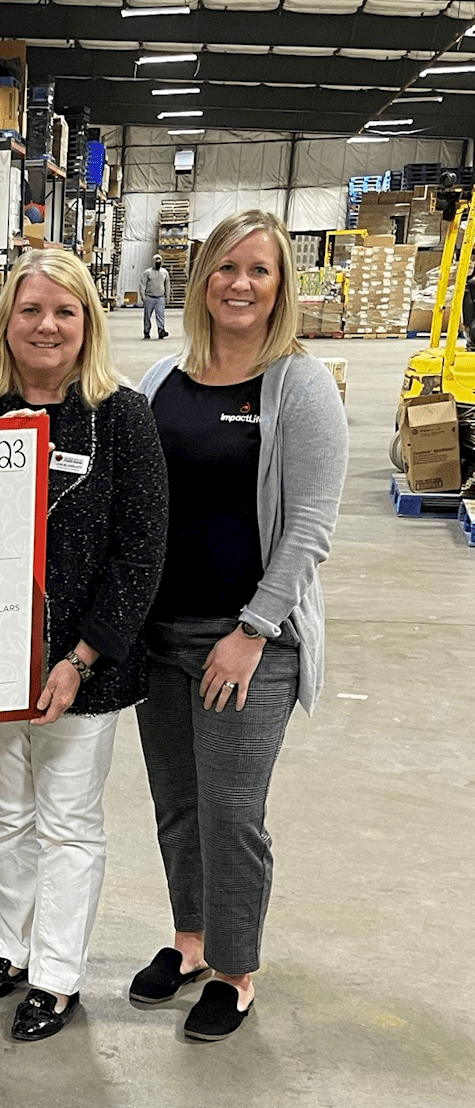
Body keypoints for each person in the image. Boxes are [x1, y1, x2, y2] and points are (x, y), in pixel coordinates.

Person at [0, 249, 168, 1041]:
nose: (47, 325)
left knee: (68, 819)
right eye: (32, 310)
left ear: (87, 325)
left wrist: (79, 660)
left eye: (65, 311)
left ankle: (59, 977)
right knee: (7, 812)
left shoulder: (122, 416)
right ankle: (15, 948)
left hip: (84, 666)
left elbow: (141, 552)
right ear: (9, 320)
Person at [131, 209, 347, 1041]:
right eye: (226, 267)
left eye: (259, 269)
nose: (241, 284)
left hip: (251, 642)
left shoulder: (300, 385)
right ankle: (189, 942)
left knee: (231, 811)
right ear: (200, 280)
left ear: (280, 284)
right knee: (177, 804)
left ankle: (234, 967)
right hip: (164, 638)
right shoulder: (161, 382)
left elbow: (312, 527)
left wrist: (253, 629)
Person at [143, 253, 170, 340]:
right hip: (149, 297)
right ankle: (146, 331)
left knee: (160, 315)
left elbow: (167, 284)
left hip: (160, 297)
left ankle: (161, 330)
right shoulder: (147, 273)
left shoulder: (164, 272)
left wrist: (167, 296)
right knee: (147, 315)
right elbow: (142, 285)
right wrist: (143, 296)